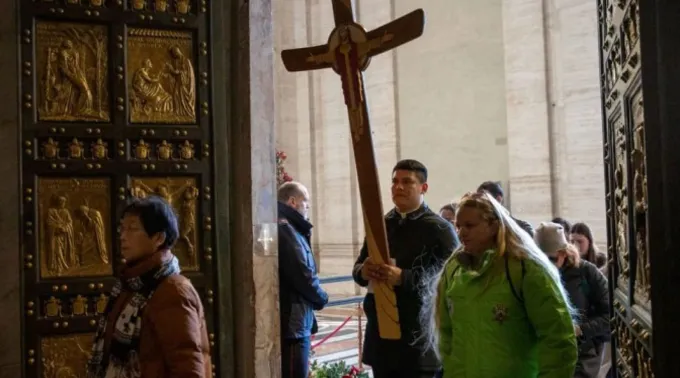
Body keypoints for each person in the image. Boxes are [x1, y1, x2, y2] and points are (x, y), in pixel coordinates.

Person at [427, 192, 577, 377]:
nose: (461, 232)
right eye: (458, 226)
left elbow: (557, 339)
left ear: (493, 225)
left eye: (469, 225)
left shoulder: (525, 269)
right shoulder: (454, 270)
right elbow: (446, 336)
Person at [353, 159, 459, 378]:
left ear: (424, 188)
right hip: (381, 336)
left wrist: (404, 277)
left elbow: (454, 279)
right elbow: (358, 268)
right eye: (394, 181)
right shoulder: (380, 225)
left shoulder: (441, 229)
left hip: (418, 338)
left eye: (407, 182)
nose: (398, 187)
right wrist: (363, 271)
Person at [87, 196, 211, 378]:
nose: (122, 236)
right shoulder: (130, 284)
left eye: (132, 229)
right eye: (122, 228)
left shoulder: (173, 290)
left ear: (158, 238)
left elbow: (187, 368)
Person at [535, 222, 610, 378]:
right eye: (540, 261)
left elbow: (611, 314)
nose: (547, 267)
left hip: (582, 357)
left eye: (552, 259)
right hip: (546, 357)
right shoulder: (531, 274)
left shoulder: (587, 272)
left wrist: (581, 330)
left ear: (563, 253)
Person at [277, 182, 328, 378]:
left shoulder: (291, 228)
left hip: (297, 320)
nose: (307, 208)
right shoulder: (287, 231)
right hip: (293, 324)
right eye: (306, 203)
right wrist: (322, 297)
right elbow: (303, 275)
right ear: (293, 202)